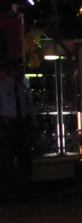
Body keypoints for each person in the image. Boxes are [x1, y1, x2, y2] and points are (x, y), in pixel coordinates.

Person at [0, 58, 35, 205]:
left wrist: (33, 123)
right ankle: (4, 195)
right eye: (20, 68)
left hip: (22, 126)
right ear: (13, 70)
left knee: (25, 161)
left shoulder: (23, 87)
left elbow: (28, 107)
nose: (22, 71)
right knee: (6, 162)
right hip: (10, 126)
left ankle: (24, 194)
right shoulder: (2, 87)